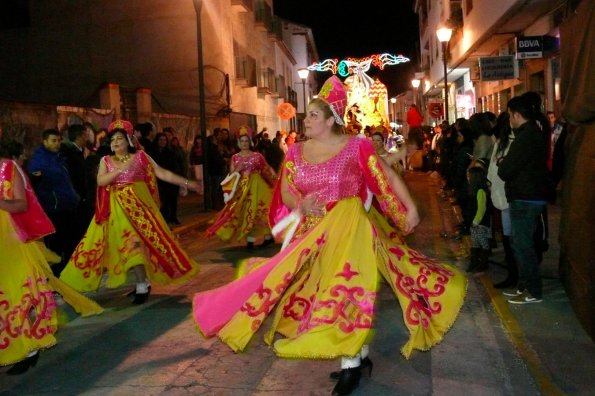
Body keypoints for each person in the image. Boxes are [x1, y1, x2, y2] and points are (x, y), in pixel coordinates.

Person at [192, 76, 466, 395]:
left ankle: (349, 364)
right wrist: (301, 204)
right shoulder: (295, 151)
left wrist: (410, 209)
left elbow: (386, 174)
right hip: (314, 233)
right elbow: (286, 189)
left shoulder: (356, 146)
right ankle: (359, 355)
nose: (305, 120)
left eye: (312, 115)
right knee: (320, 289)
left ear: (330, 120)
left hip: (350, 225)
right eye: (307, 115)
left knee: (345, 286)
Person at [59, 120, 201, 304]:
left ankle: (142, 285)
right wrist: (118, 171)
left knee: (135, 247)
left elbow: (162, 173)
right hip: (116, 211)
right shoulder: (106, 161)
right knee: (120, 248)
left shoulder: (141, 157)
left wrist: (189, 184)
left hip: (140, 212)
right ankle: (137, 284)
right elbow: (101, 181)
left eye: (120, 139)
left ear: (128, 141)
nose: (116, 143)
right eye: (113, 140)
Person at [0, 141, 103, 375]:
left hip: (10, 240)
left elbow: (21, 203)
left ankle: (28, 348)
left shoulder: (9, 168)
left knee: (16, 293)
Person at [498, 96, 549, 304]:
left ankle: (533, 291)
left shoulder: (527, 136)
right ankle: (524, 286)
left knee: (523, 245)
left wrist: (503, 163)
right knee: (519, 244)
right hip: (526, 196)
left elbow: (506, 169)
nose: (509, 119)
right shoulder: (531, 134)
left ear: (517, 115)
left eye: (510, 115)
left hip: (526, 197)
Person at [207, 130, 277, 249]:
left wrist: (274, 174)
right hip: (242, 188)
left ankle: (268, 238)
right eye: (242, 141)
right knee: (244, 211)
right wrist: (238, 169)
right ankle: (250, 241)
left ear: (250, 142)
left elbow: (266, 167)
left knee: (260, 211)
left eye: (246, 141)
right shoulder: (235, 157)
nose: (244, 143)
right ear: (239, 143)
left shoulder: (257, 156)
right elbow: (230, 175)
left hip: (258, 186)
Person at [27, 129, 81, 276]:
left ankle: (70, 274)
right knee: (57, 245)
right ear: (44, 142)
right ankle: (58, 277)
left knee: (70, 242)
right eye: (53, 141)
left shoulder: (59, 157)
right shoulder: (39, 160)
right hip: (54, 208)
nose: (57, 144)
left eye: (58, 140)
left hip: (67, 205)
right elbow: (35, 181)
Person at [465, 165, 492, 274]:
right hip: (474, 223)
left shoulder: (480, 191)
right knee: (475, 243)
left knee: (483, 243)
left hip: (480, 224)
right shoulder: (474, 190)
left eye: (469, 175)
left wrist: (476, 221)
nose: (467, 177)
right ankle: (474, 261)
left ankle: (483, 263)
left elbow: (481, 208)